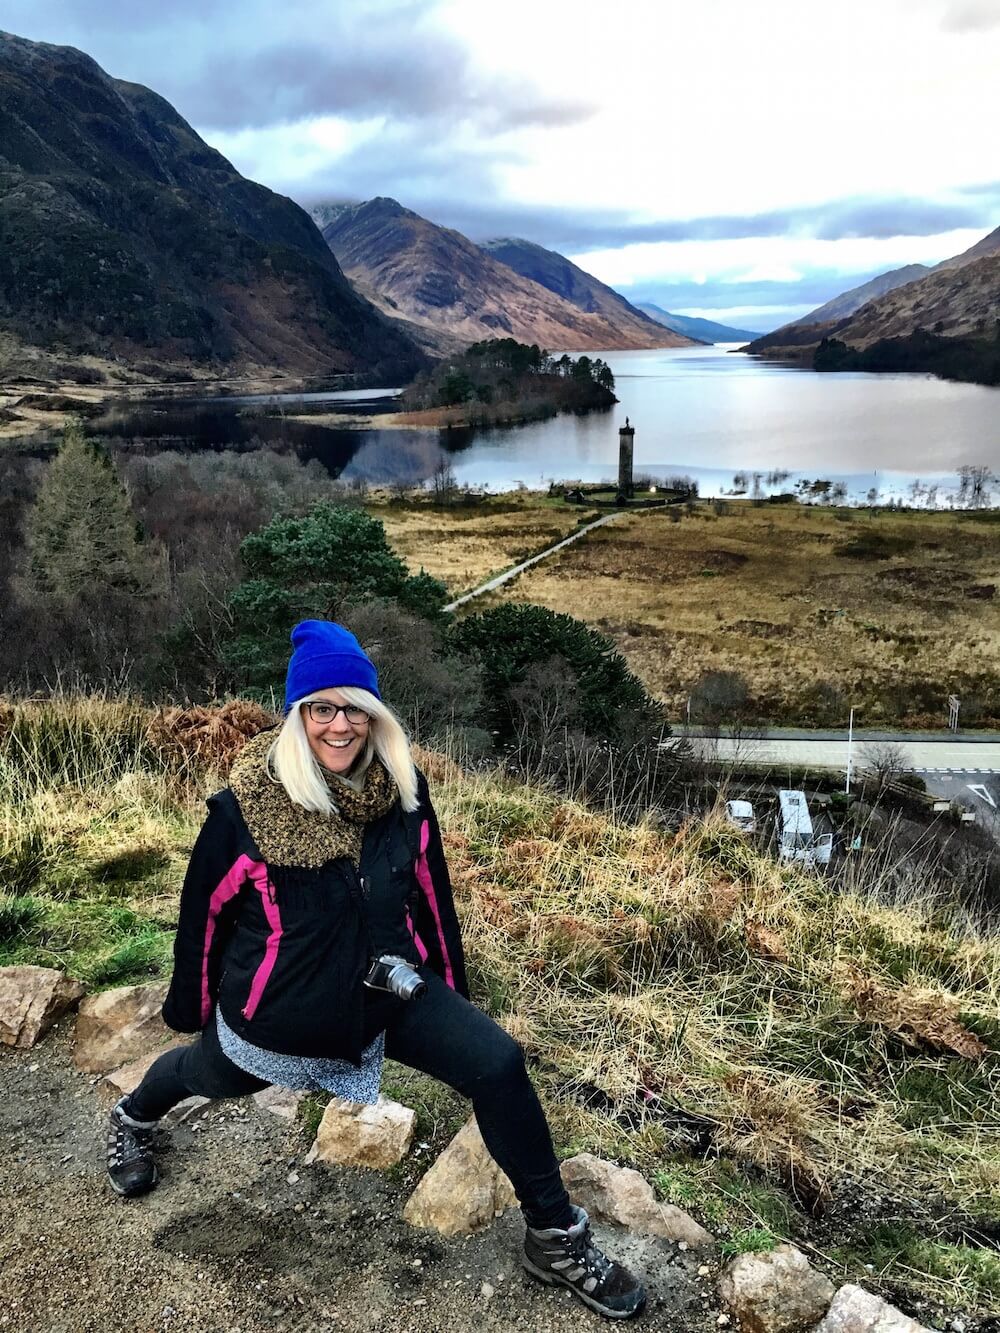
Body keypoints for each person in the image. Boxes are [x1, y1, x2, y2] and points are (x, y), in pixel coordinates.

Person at [106, 620, 645, 1321]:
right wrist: (191, 1003)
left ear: (375, 713)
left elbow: (430, 893)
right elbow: (203, 913)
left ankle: (554, 1236)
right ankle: (133, 1115)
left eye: (354, 705)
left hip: (385, 990)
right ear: (298, 715)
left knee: (499, 1062)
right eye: (321, 707)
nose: (339, 723)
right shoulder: (246, 810)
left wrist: (452, 989)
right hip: (277, 1008)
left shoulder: (402, 791)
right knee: (206, 1074)